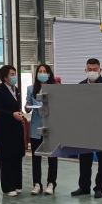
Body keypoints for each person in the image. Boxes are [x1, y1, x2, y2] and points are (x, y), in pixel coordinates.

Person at [72, 58, 102, 199]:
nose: (92, 72)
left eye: (94, 69)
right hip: (85, 129)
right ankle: (84, 187)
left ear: (100, 70)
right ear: (85, 70)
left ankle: (99, 188)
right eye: (89, 69)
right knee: (84, 159)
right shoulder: (80, 87)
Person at [0, 65, 27, 197]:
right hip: (4, 129)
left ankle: (17, 184)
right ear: (4, 77)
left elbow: (16, 107)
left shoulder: (16, 89)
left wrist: (20, 113)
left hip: (16, 127)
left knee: (17, 156)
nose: (14, 77)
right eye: (12, 74)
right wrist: (12, 114)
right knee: (6, 158)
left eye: (15, 74)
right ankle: (7, 187)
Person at [26, 64, 58, 195]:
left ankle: (51, 183)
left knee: (52, 156)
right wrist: (27, 107)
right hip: (36, 127)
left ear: (49, 74)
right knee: (36, 157)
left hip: (51, 126)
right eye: (40, 71)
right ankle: (37, 184)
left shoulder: (55, 89)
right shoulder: (30, 88)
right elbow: (27, 106)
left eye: (45, 71)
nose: (42, 73)